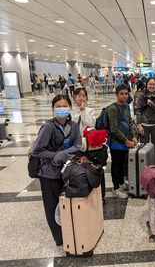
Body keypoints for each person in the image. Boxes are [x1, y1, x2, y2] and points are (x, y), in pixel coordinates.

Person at [31, 95, 82, 246]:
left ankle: (70, 232)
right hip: (49, 173)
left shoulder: (73, 126)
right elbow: (37, 151)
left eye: (64, 106)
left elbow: (78, 145)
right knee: (52, 206)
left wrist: (63, 154)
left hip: (67, 171)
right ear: (53, 109)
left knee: (65, 204)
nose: (61, 109)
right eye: (58, 106)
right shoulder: (48, 127)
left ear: (70, 107)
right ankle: (60, 239)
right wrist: (56, 155)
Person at [108, 84, 138, 198]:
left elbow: (130, 122)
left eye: (126, 93)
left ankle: (121, 183)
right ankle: (116, 188)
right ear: (117, 95)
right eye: (121, 94)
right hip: (116, 143)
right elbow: (114, 129)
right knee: (116, 165)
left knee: (122, 164)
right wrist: (126, 141)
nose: (124, 96)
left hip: (125, 141)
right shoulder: (113, 109)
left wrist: (134, 136)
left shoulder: (126, 106)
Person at [135, 78, 155, 165]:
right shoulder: (141, 96)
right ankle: (144, 168)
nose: (152, 86)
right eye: (150, 84)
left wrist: (151, 104)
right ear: (146, 85)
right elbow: (138, 110)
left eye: (154, 84)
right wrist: (139, 124)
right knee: (144, 148)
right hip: (144, 125)